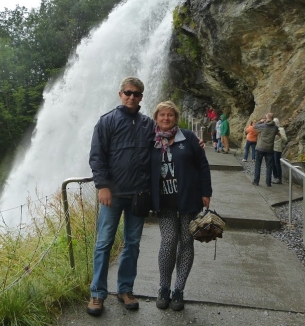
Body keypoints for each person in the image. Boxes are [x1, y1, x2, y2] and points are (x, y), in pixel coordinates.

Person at [87, 76, 154, 316]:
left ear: (141, 97)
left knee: (132, 245)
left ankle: (125, 290)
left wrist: (190, 141)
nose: (131, 97)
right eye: (127, 92)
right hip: (112, 196)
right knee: (103, 244)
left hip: (138, 195)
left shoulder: (148, 124)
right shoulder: (107, 121)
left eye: (136, 94)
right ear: (120, 94)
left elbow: (165, 145)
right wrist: (102, 186)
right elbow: (97, 156)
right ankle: (97, 294)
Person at [150, 101, 212, 311]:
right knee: (168, 242)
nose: (166, 118)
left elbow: (202, 165)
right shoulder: (150, 139)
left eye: (170, 115)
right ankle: (163, 288)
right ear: (156, 118)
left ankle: (179, 290)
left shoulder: (189, 137)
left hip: (189, 199)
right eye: (162, 115)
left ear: (175, 118)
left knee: (186, 241)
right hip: (164, 201)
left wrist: (206, 192)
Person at [252, 113, 279, 187]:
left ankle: (256, 181)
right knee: (269, 166)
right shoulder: (275, 128)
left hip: (260, 147)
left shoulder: (262, 126)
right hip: (269, 149)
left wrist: (260, 121)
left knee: (258, 165)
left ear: (266, 118)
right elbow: (277, 132)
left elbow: (254, 127)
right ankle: (268, 182)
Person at [271, 118, 288, 184]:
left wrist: (280, 135)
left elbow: (285, 140)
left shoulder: (281, 129)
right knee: (272, 163)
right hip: (271, 148)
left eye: (275, 123)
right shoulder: (272, 129)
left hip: (277, 148)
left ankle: (279, 178)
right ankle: (275, 176)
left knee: (277, 163)